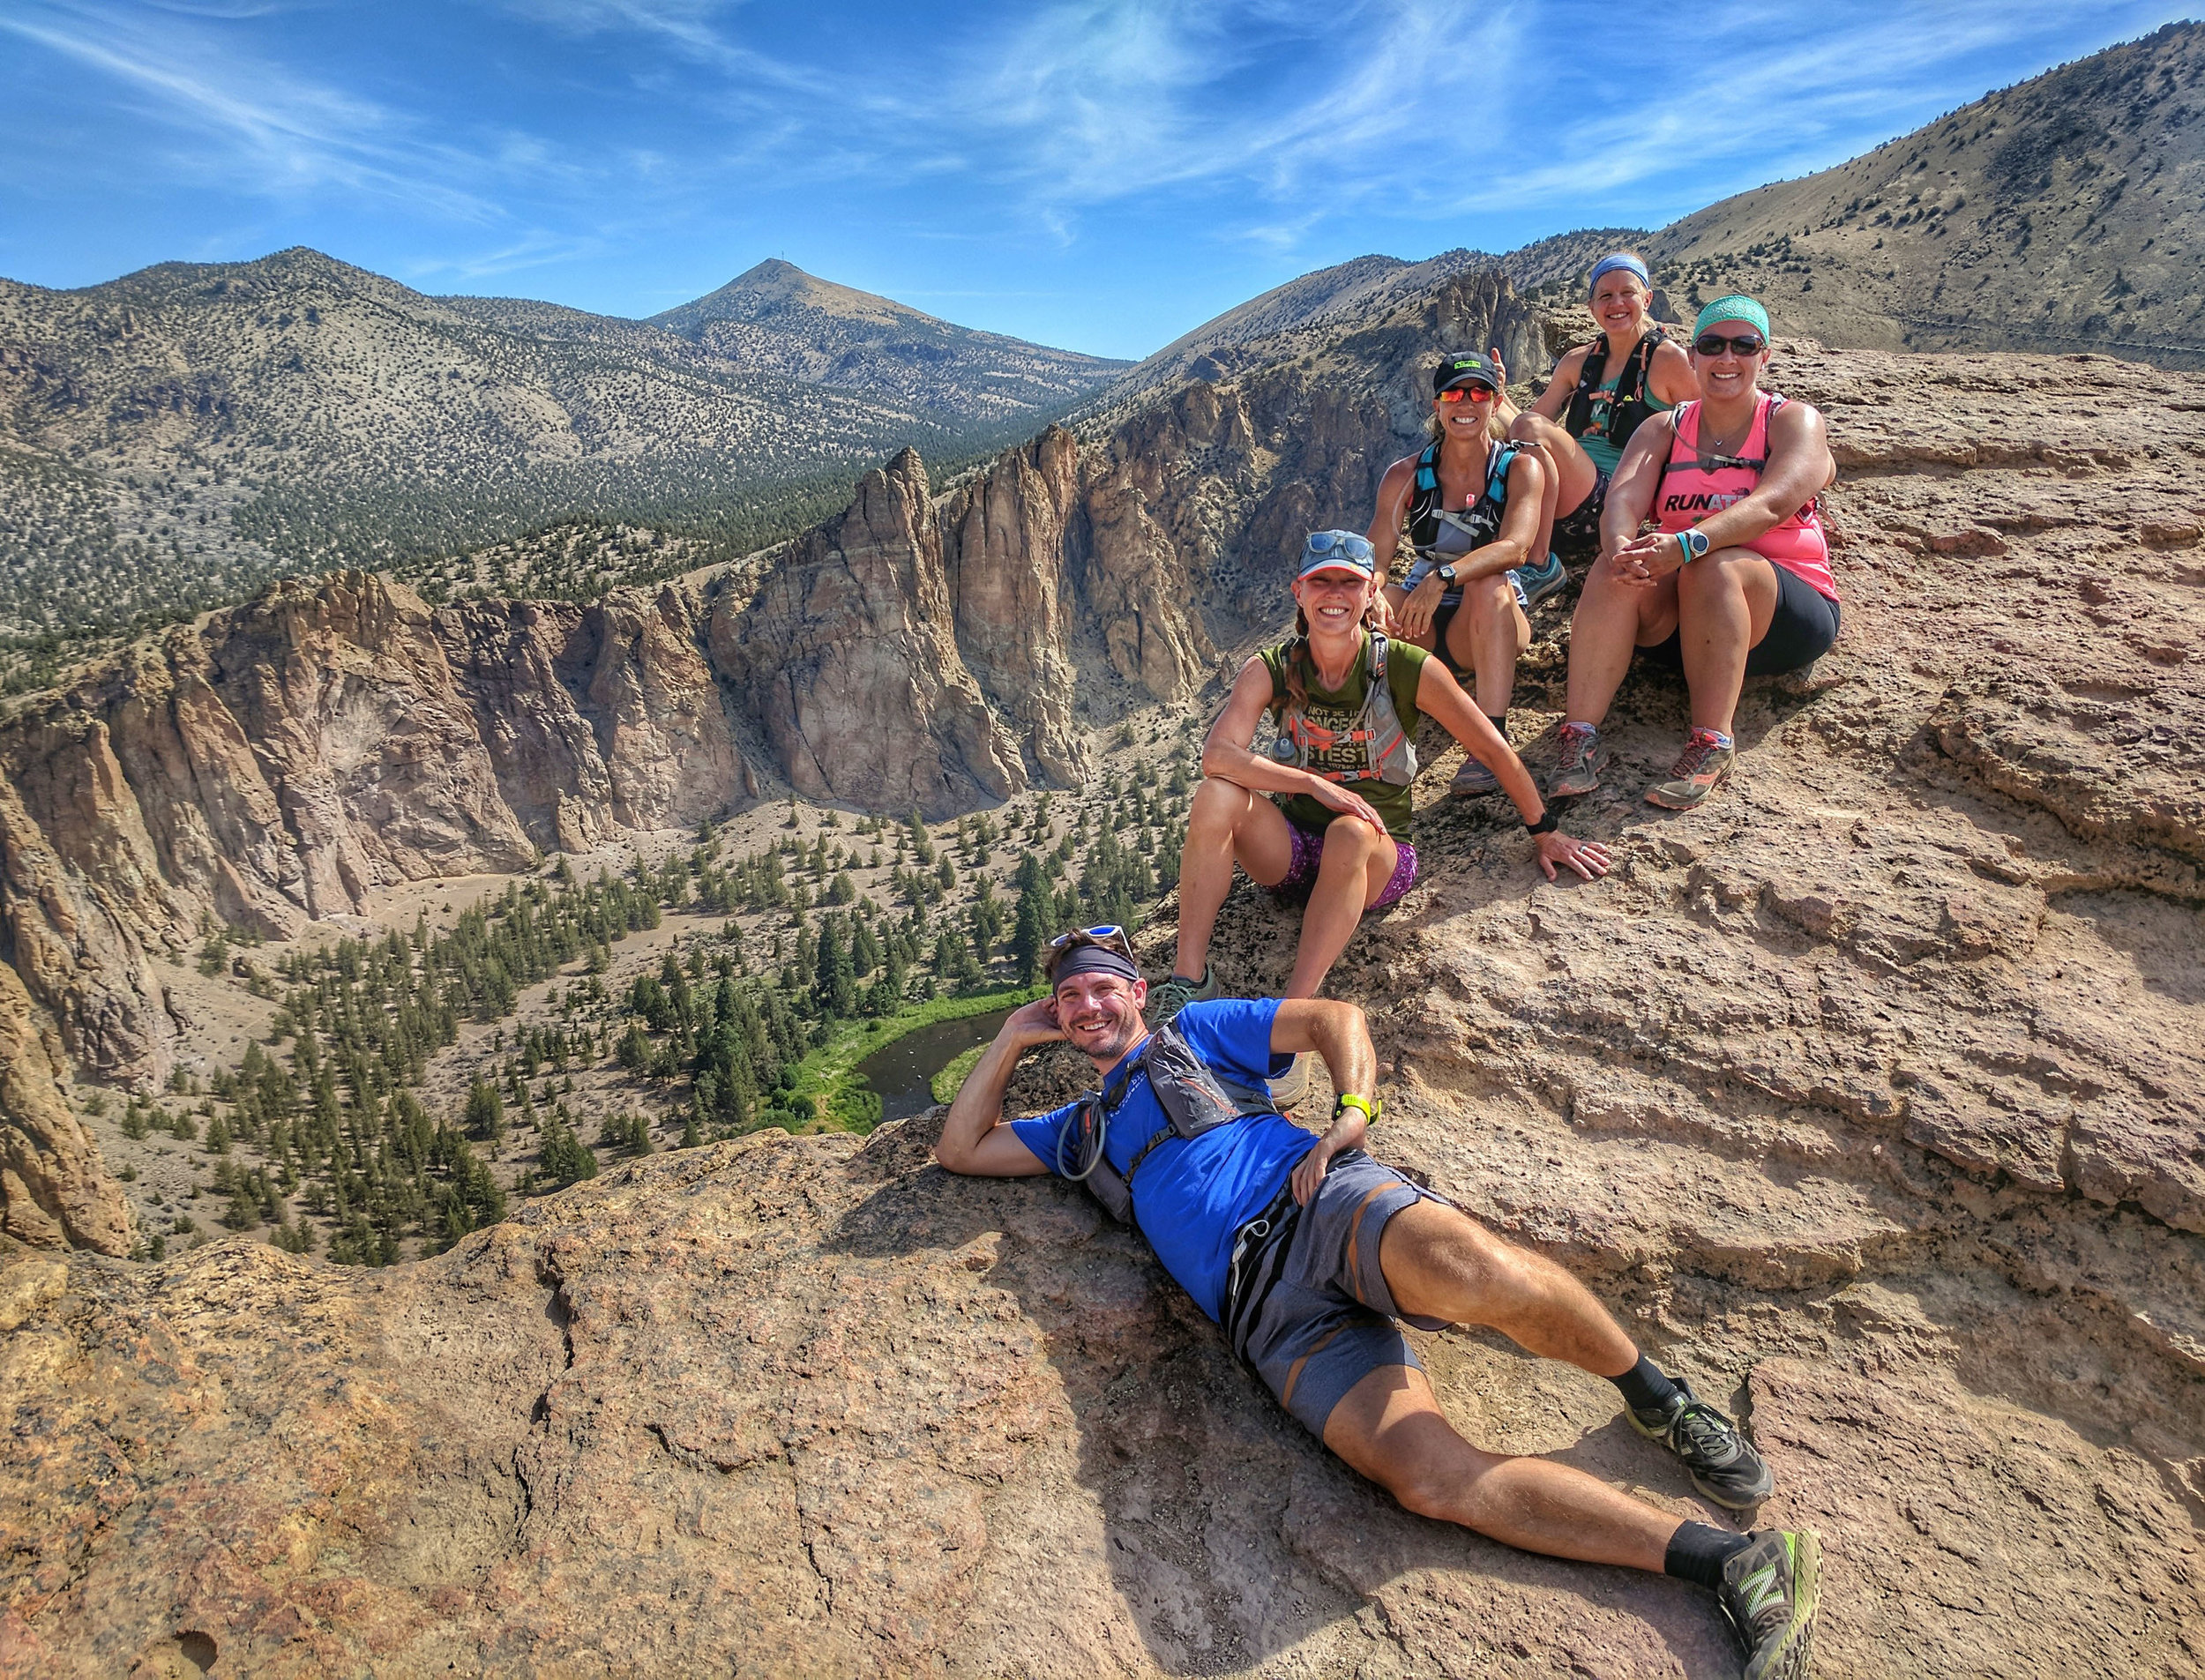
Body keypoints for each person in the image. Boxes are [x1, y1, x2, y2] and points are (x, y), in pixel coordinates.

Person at [935, 926, 1821, 1680]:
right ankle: (1738, 1563)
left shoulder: (1195, 1032)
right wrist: (1013, 1037)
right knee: (1429, 1480)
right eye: (1065, 1002)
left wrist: (1353, 1110)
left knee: (1485, 1278)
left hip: (1314, 1203)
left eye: (1097, 991)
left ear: (1135, 990)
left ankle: (1660, 1402)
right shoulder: (1076, 1132)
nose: (1082, 1010)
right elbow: (960, 1150)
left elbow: (1331, 1020)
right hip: (1267, 1316)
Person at [1154, 528, 1611, 1021]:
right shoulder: (1271, 669)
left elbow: (1491, 750)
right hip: (1294, 850)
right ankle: (1190, 980)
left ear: (1372, 591)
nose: (1334, 594)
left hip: (1374, 859)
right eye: (1320, 581)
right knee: (1215, 795)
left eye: (1348, 583)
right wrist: (1312, 783)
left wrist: (1545, 833)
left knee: (1351, 831)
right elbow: (1217, 756)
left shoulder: (1404, 666)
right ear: (1299, 593)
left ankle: (1292, 1013)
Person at [1550, 295, 1841, 811]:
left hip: (1781, 615)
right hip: (1686, 615)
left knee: (1714, 564)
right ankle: (1579, 737)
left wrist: (1687, 544)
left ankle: (1712, 741)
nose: (1726, 358)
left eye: (1743, 345)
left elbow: (1774, 504)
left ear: (1764, 355)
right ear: (1692, 357)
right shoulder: (1665, 427)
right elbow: (1623, 497)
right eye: (1711, 345)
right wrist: (1620, 548)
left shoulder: (1793, 421)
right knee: (1614, 567)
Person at [1367, 353, 1566, 796]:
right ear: (1436, 404)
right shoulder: (1406, 475)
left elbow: (1514, 547)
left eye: (1480, 392)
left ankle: (1491, 742)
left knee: (1486, 580)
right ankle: (1375, 734)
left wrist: (1441, 578)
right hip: (1428, 626)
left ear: (1495, 403)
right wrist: (1375, 593)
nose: (1467, 402)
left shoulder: (1518, 467)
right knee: (1372, 608)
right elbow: (1376, 558)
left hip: (1491, 614)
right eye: (1454, 393)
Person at [1508, 252, 1698, 570]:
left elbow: (1705, 431)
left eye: (1628, 293)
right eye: (1606, 296)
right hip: (1567, 497)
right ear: (1592, 307)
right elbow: (1523, 430)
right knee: (1499, 422)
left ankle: (1539, 564)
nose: (1616, 304)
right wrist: (1496, 398)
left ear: (1647, 299)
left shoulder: (1668, 361)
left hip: (1616, 505)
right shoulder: (1578, 361)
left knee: (1530, 428)